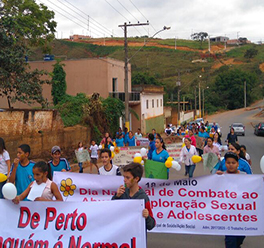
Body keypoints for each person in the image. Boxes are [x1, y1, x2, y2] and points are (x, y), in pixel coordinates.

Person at [112, 162, 155, 231]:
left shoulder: (143, 198)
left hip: (136, 238)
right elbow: (111, 211)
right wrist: (116, 197)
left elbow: (151, 225)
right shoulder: (122, 193)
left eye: (127, 178)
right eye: (124, 177)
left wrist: (147, 217)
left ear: (136, 179)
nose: (124, 180)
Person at [216, 152, 246, 248]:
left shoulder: (244, 176)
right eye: (228, 163)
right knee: (230, 240)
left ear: (237, 164)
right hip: (227, 214)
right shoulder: (221, 176)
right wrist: (215, 178)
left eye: (233, 163)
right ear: (225, 164)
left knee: (240, 237)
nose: (231, 165)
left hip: (242, 214)